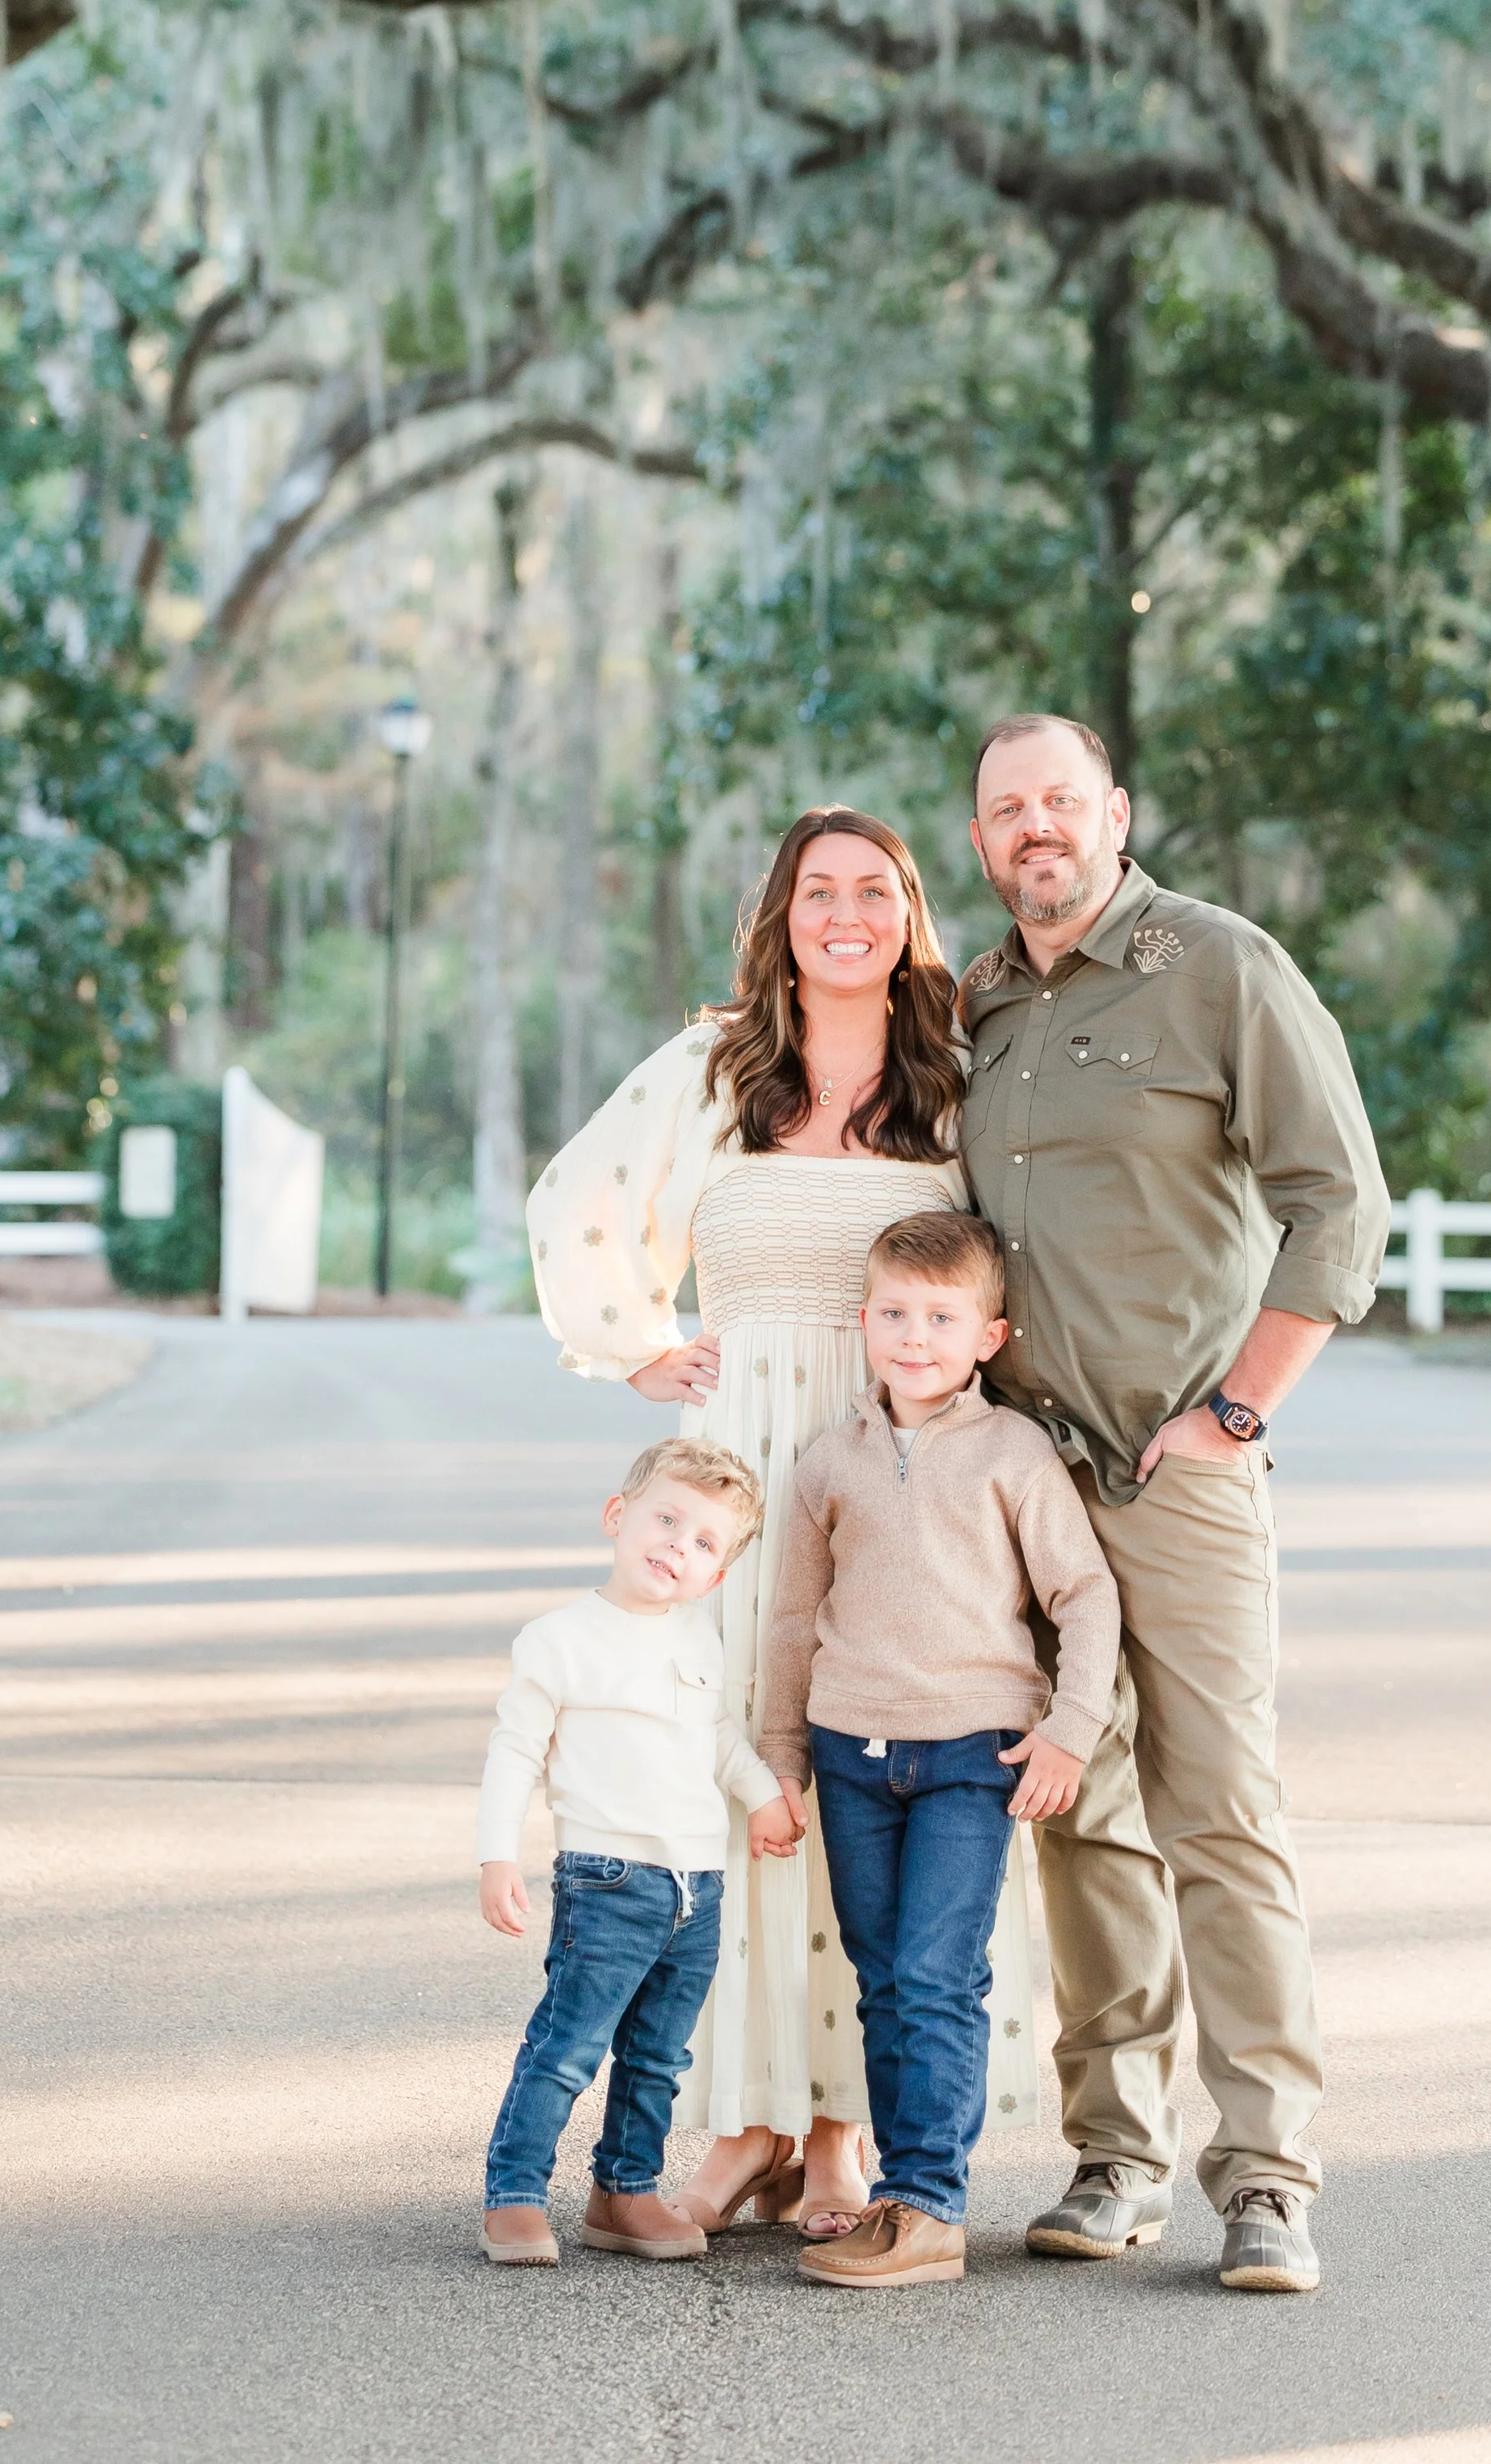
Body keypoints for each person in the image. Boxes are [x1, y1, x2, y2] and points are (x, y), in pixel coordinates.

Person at [524, 808, 1043, 2240]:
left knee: (865, 1768)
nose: (846, 912)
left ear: (909, 912)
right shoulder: (714, 1068)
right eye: (819, 890)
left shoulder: (954, 1067)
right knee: (738, 1775)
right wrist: (633, 1342)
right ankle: (736, 2120)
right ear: (782, 913)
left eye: (874, 890)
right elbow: (580, 1195)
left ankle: (836, 2132)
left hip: (900, 1468)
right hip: (745, 1459)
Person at [958, 712, 1391, 2296]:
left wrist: (1236, 1410)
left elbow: (1334, 1200)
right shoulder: (978, 1006)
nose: (1033, 830)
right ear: (984, 835)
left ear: (1114, 813)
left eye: (1058, 802)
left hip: (1178, 1470)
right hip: (1028, 1483)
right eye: (1006, 811)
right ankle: (1112, 2156)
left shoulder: (1218, 967)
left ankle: (1267, 2178)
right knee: (1075, 1817)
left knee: (1219, 1815)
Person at [759, 1211, 1121, 2290]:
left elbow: (1084, 1592)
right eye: (896, 1314)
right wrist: (782, 1753)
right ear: (864, 1320)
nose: (915, 1336)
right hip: (851, 1754)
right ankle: (896, 2195)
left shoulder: (1012, 1451)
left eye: (942, 1317)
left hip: (974, 1751)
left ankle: (929, 2205)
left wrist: (1070, 1727)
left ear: (989, 1336)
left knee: (933, 1973)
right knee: (882, 1979)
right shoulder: (830, 1457)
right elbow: (790, 1618)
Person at [475, 1436, 801, 2266]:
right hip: (608, 1880)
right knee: (569, 2045)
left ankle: (625, 2193)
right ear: (618, 1517)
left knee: (659, 2056)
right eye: (666, 1520)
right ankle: (513, 2194)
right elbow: (514, 1751)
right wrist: (497, 1857)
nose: (677, 1547)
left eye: (703, 1544)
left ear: (717, 1575)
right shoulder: (559, 1638)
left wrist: (762, 1795)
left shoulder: (698, 1639)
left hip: (698, 1886)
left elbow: (718, 1737)